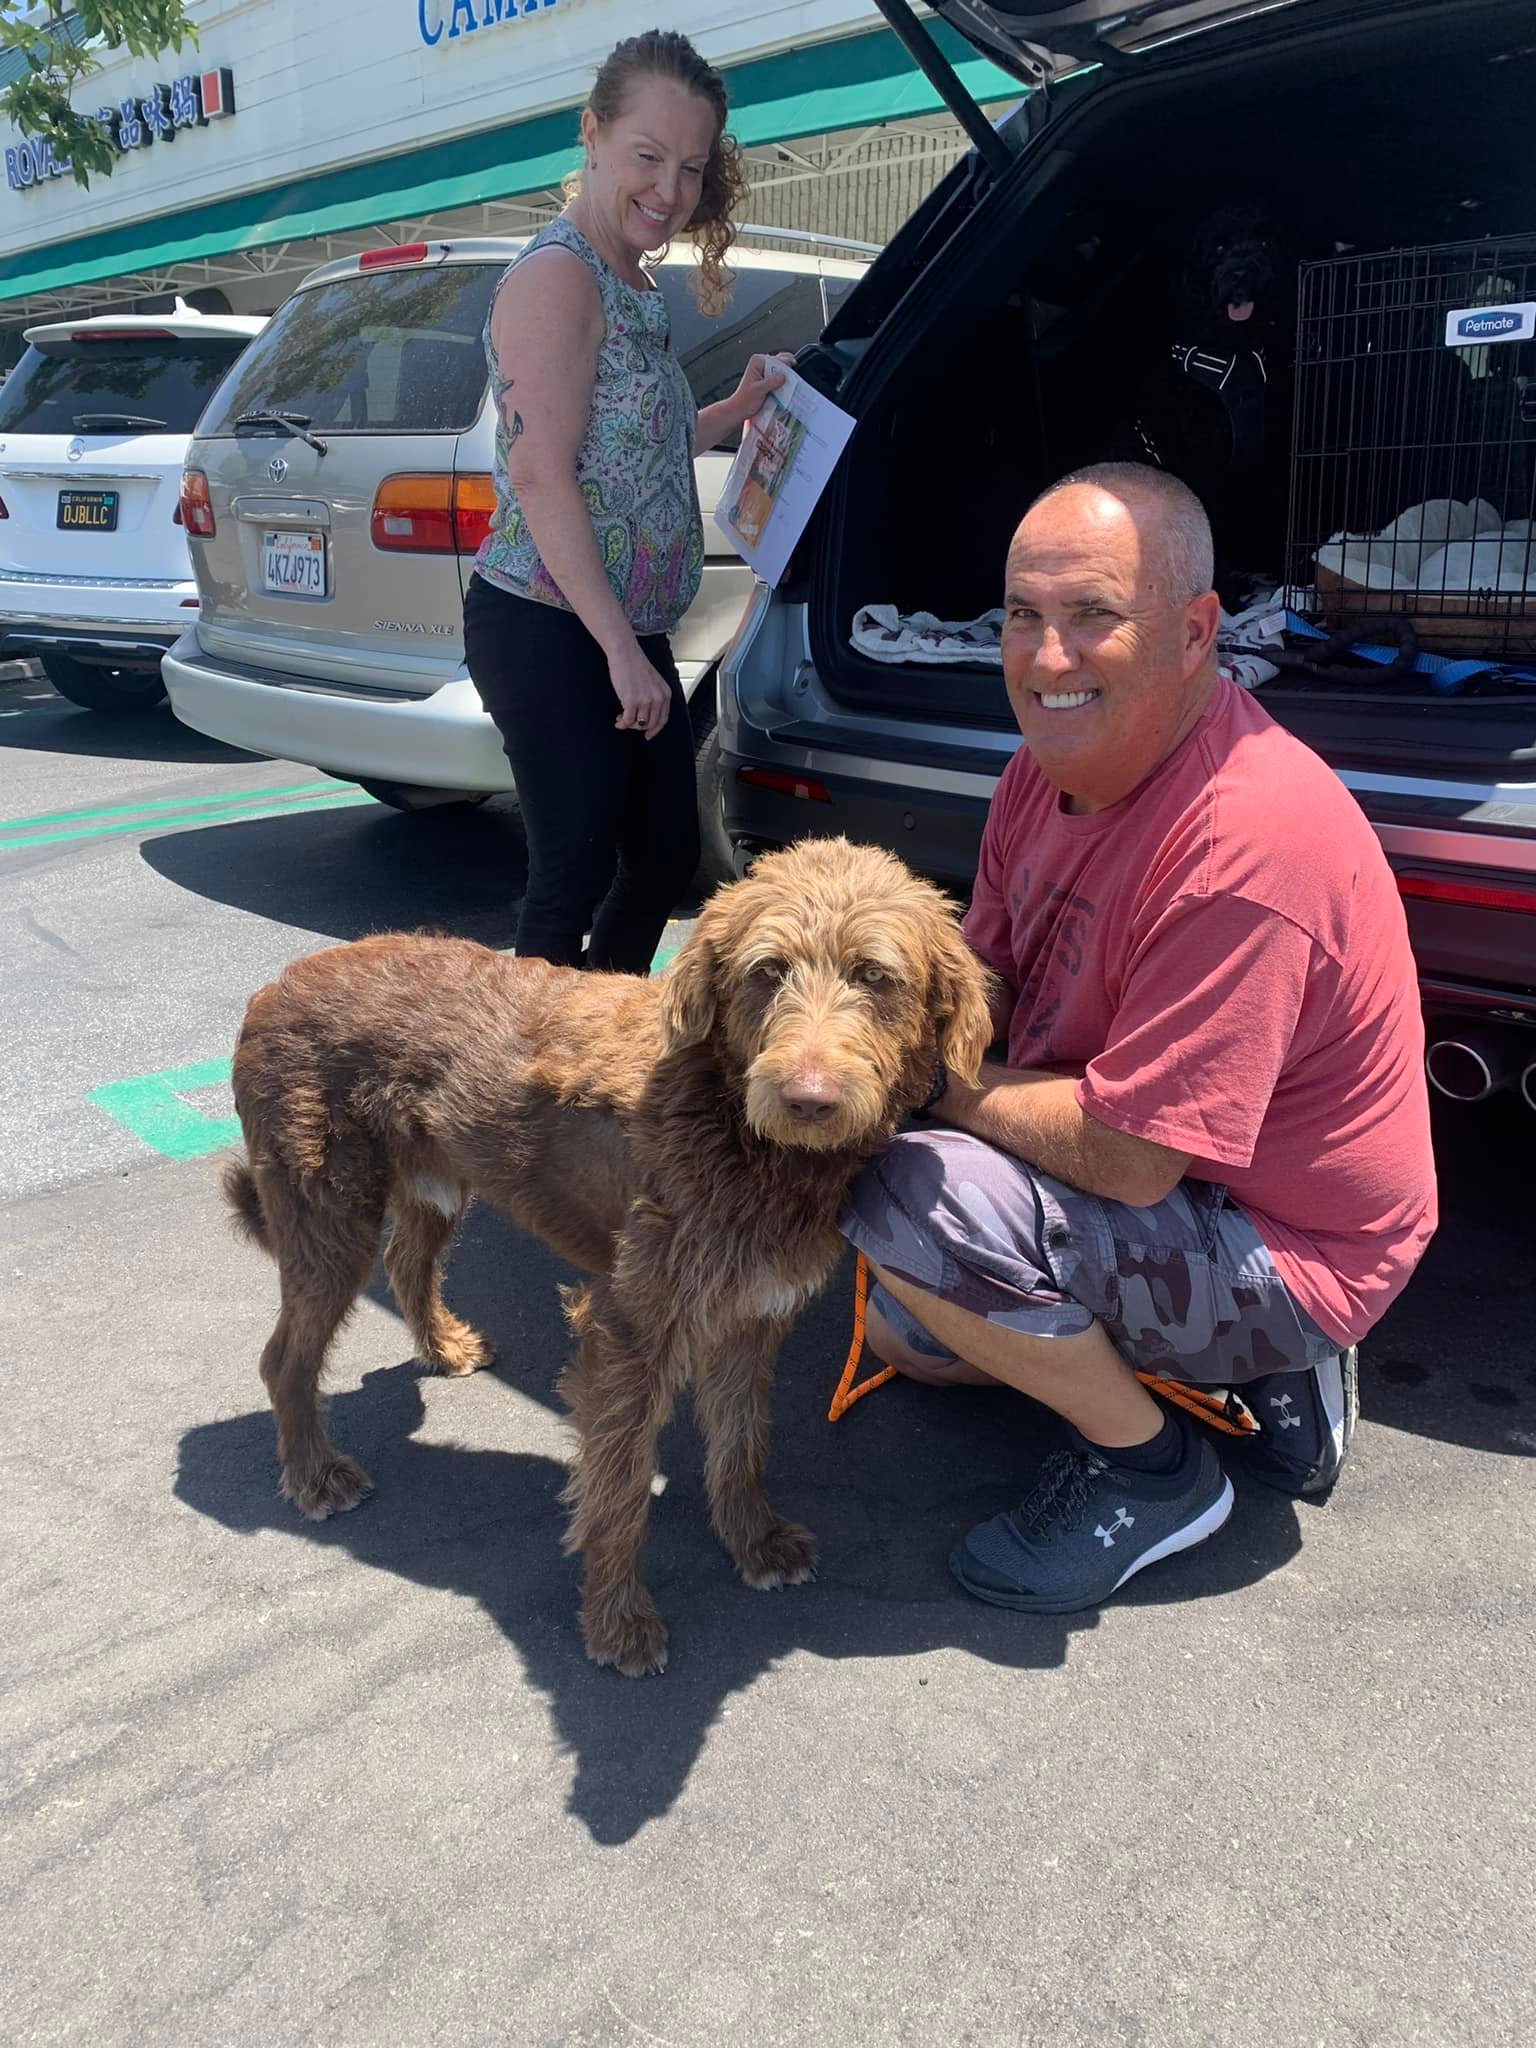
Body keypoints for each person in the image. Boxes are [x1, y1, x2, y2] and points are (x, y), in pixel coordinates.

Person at [840, 462, 1437, 1615]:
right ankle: (1251, 1378)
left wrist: (922, 1082)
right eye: (1023, 614)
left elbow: (1128, 1158)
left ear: (1197, 630)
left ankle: (1155, 1471)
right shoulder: (1045, 767)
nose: (1046, 657)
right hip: (1178, 1163)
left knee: (902, 1195)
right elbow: (988, 975)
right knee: (909, 1329)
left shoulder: (1243, 846)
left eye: (1093, 615)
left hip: (1288, 1240)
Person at [464, 29, 791, 972]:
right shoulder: (558, 276)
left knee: (664, 853)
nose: (670, 189)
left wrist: (735, 408)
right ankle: (531, 1065)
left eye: (690, 167)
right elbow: (541, 472)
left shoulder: (632, 280)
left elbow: (632, 450)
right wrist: (619, 653)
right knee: (569, 873)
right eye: (648, 156)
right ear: (593, 134)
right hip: (547, 621)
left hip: (620, 625)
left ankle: (601, 1033)